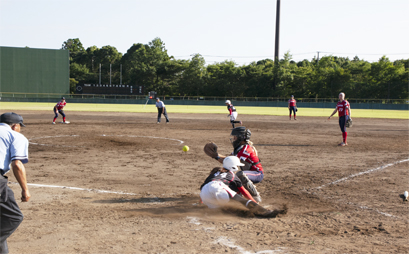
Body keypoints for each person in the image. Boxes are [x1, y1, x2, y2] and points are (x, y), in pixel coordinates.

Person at [200, 156, 284, 218]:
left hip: (204, 194)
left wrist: (201, 201)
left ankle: (221, 211)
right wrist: (254, 202)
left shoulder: (215, 172)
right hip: (218, 186)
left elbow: (203, 187)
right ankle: (265, 212)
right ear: (232, 167)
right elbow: (244, 191)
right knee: (241, 201)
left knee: (219, 208)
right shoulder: (232, 175)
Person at [0, 112, 31, 254]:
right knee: (13, 216)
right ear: (15, 126)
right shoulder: (16, 136)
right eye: (20, 126)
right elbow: (17, 164)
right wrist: (25, 189)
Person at [208, 126, 263, 203]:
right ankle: (236, 197)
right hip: (248, 174)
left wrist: (216, 157)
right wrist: (216, 155)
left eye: (235, 136)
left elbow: (230, 162)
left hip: (257, 174)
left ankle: (256, 197)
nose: (234, 138)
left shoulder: (245, 149)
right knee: (233, 178)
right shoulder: (239, 148)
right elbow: (228, 158)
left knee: (240, 175)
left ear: (241, 137)